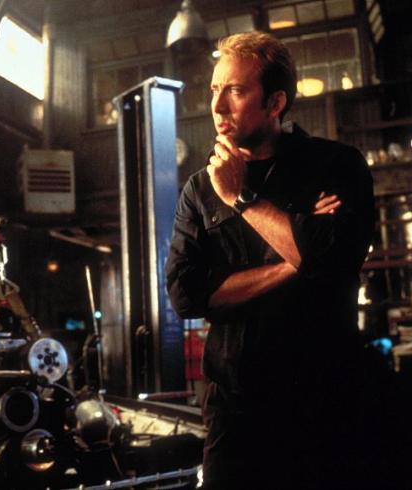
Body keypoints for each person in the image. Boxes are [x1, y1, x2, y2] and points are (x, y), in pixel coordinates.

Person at [165, 31, 376, 489]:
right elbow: (185, 294)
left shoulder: (336, 165)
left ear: (275, 102)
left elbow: (340, 257)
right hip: (235, 409)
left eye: (236, 91)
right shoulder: (199, 188)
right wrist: (297, 260)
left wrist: (241, 199)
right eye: (215, 90)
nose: (217, 106)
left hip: (325, 401)